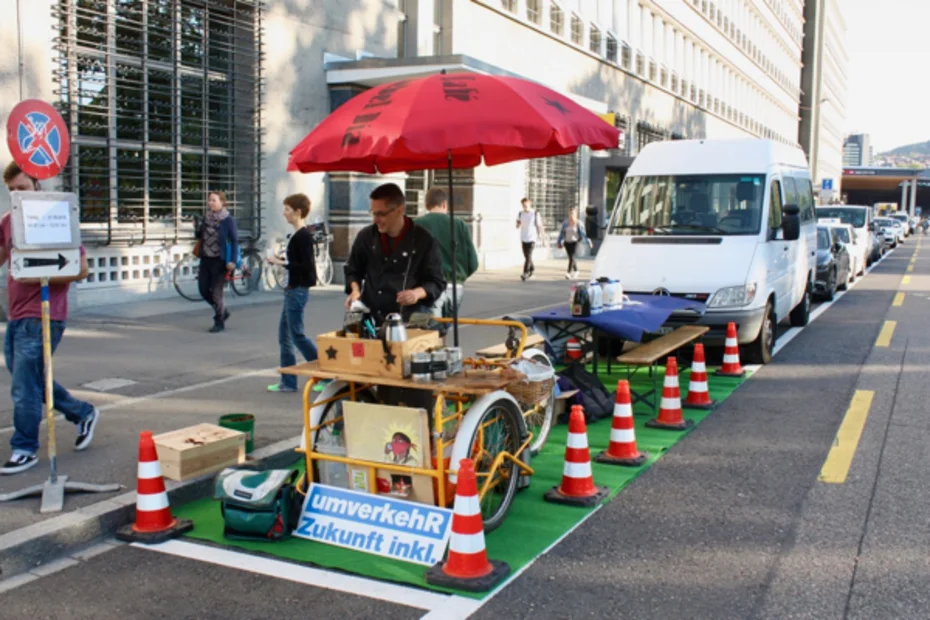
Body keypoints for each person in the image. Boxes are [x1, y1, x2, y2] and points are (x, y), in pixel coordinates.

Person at [1, 162, 99, 475]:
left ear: (36, 186)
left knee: (23, 386)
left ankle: (24, 447)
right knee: (31, 380)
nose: (17, 195)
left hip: (44, 314)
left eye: (23, 188)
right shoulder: (7, 221)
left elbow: (81, 268)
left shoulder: (55, 218)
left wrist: (38, 275)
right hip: (16, 314)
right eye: (12, 190)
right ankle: (82, 413)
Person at [344, 183, 446, 325]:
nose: (375, 219)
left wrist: (416, 293)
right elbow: (353, 270)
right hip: (371, 317)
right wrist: (355, 291)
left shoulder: (423, 240)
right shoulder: (366, 236)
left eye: (381, 214)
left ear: (400, 210)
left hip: (408, 319)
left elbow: (437, 282)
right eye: (373, 213)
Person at [266, 194, 318, 393]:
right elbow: (298, 260)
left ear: (298, 212)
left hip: (297, 290)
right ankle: (288, 381)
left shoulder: (303, 236)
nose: (284, 213)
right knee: (285, 337)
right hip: (292, 290)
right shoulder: (297, 235)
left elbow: (305, 265)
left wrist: (281, 262)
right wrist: (282, 258)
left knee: (296, 335)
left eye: (287, 209)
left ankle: (325, 373)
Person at [414, 188, 479, 317]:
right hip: (455, 287)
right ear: (445, 204)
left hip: (428, 288)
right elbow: (473, 262)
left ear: (426, 205)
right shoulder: (459, 224)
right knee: (444, 328)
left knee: (430, 330)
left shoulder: (416, 224)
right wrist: (459, 277)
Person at [196, 191, 239, 333]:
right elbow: (200, 235)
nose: (210, 203)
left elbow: (234, 241)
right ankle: (222, 311)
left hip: (219, 261)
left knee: (216, 292)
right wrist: (196, 227)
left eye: (214, 200)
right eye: (209, 200)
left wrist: (232, 260)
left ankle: (219, 321)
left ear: (222, 202)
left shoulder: (228, 220)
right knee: (203, 290)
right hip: (205, 258)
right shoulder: (206, 217)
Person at [557, 207, 591, 279]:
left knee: (572, 257)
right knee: (571, 257)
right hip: (566, 242)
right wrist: (559, 241)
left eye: (573, 213)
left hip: (575, 242)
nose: (571, 214)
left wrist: (589, 241)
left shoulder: (579, 223)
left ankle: (568, 273)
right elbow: (562, 233)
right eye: (570, 213)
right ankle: (576, 270)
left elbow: (584, 234)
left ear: (576, 214)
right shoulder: (566, 223)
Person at [516, 197, 544, 280]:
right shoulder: (520, 214)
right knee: (526, 256)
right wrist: (518, 224)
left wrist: (542, 237)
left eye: (526, 204)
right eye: (523, 205)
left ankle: (525, 273)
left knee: (528, 255)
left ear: (529, 203)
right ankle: (532, 268)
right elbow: (517, 225)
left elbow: (539, 225)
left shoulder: (535, 213)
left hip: (532, 238)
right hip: (523, 237)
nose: (524, 206)